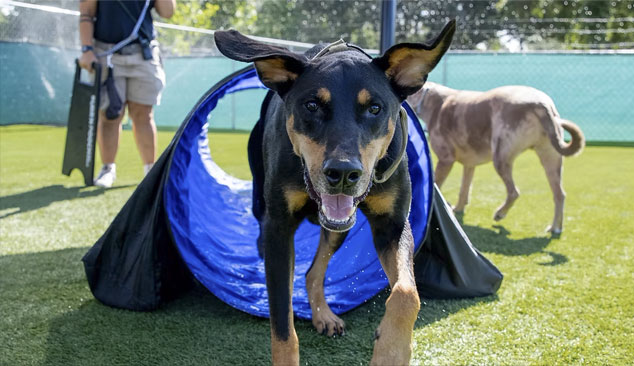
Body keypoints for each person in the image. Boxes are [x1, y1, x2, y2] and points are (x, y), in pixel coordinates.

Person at [78, 0, 175, 188]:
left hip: (144, 52)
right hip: (106, 53)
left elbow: (167, 12)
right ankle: (108, 169)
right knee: (109, 114)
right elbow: (86, 13)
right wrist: (87, 50)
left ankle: (150, 171)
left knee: (143, 114)